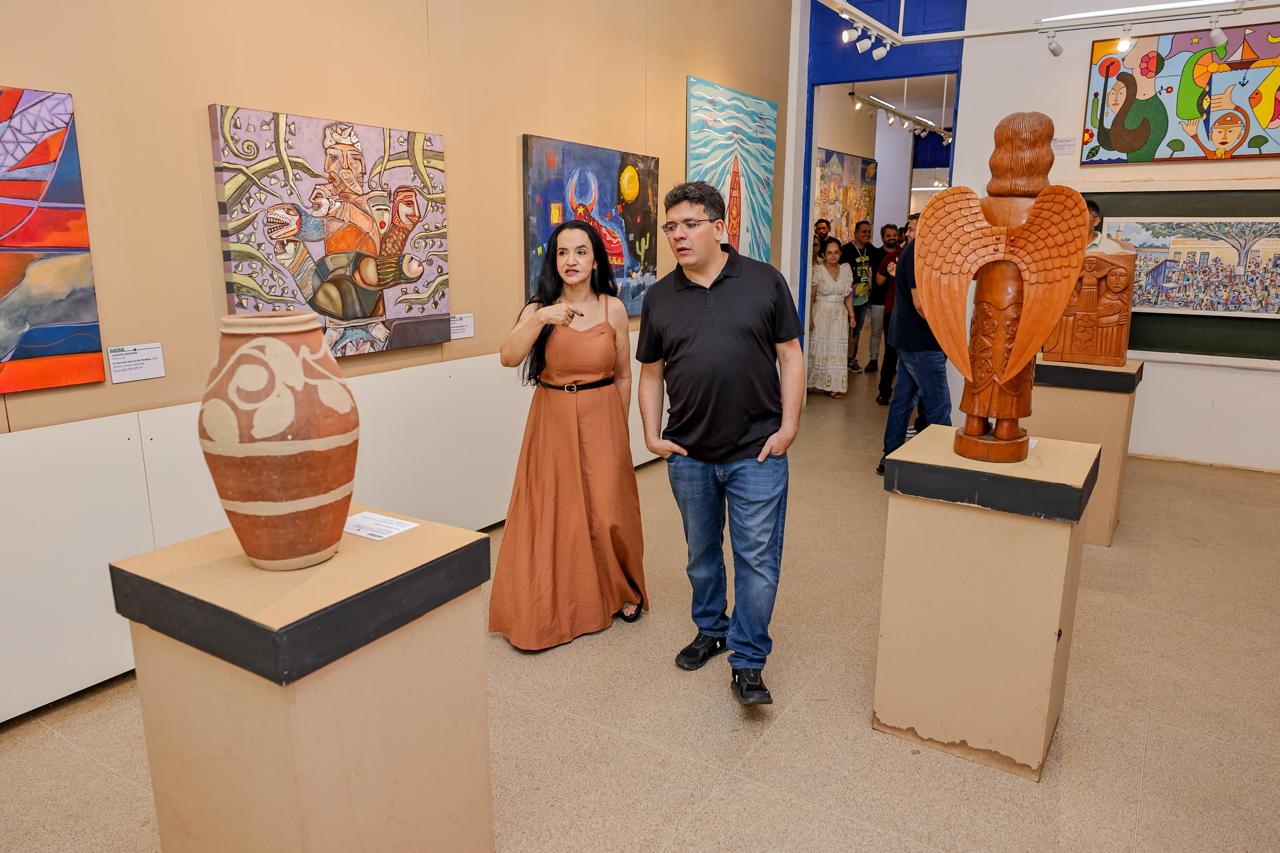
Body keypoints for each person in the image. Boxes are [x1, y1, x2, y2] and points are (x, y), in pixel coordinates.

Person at [637, 181, 803, 707]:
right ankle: (712, 629)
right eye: (671, 227)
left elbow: (791, 355)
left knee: (757, 558)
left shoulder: (764, 281)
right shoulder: (660, 296)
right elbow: (650, 373)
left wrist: (789, 427)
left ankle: (748, 660)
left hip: (757, 451)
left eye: (689, 224)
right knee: (701, 556)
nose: (678, 236)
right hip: (689, 454)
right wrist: (651, 435)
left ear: (718, 226)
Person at [489, 220, 647, 651]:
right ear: (553, 260)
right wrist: (542, 317)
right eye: (562, 252)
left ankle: (623, 589)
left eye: (580, 251)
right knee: (554, 511)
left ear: (595, 260)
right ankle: (557, 601)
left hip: (602, 414)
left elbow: (623, 374)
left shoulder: (613, 308)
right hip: (552, 416)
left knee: (609, 509)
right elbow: (508, 357)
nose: (571, 260)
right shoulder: (538, 308)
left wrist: (619, 428)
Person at [877, 220, 953, 475]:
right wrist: (943, 329)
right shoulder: (917, 252)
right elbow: (919, 303)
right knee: (939, 403)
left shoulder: (916, 252)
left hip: (911, 339)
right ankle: (942, 467)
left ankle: (890, 456)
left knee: (904, 400)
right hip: (922, 341)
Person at [807, 237, 856, 397]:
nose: (833, 256)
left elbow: (848, 296)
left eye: (836, 252)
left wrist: (852, 315)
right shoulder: (818, 270)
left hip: (839, 314)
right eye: (829, 253)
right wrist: (809, 318)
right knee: (817, 348)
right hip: (821, 313)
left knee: (837, 348)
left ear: (840, 253)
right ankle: (810, 382)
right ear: (823, 254)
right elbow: (812, 295)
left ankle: (834, 385)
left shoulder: (846, 270)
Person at [874, 221, 904, 405]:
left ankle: (884, 393)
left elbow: (879, 280)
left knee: (891, 353)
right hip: (898, 311)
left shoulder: (894, 256)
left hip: (894, 311)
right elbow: (878, 281)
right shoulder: (894, 256)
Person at [839, 220, 874, 372]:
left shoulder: (870, 249)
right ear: (855, 233)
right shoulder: (846, 250)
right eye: (863, 231)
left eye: (869, 232)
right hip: (847, 299)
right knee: (844, 330)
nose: (867, 234)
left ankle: (851, 359)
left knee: (857, 330)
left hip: (863, 299)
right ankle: (841, 359)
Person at [866, 222, 899, 378]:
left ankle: (892, 364)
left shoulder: (902, 253)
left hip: (896, 302)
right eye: (888, 235)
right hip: (879, 300)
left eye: (894, 235)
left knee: (893, 336)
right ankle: (873, 359)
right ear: (882, 238)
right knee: (876, 332)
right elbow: (876, 279)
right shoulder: (876, 254)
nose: (892, 238)